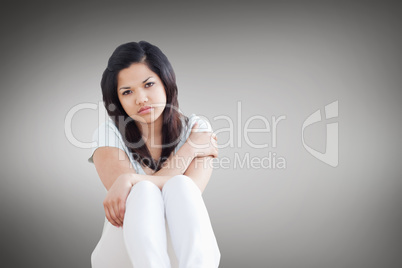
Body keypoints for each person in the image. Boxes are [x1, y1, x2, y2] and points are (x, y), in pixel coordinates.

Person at [87, 41, 221, 268]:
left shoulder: (197, 128)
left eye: (148, 84)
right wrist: (189, 149)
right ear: (117, 99)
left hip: (182, 250)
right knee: (143, 191)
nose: (140, 98)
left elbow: (190, 194)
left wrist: (129, 178)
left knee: (180, 186)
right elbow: (129, 202)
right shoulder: (108, 133)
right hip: (124, 252)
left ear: (166, 82)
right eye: (127, 92)